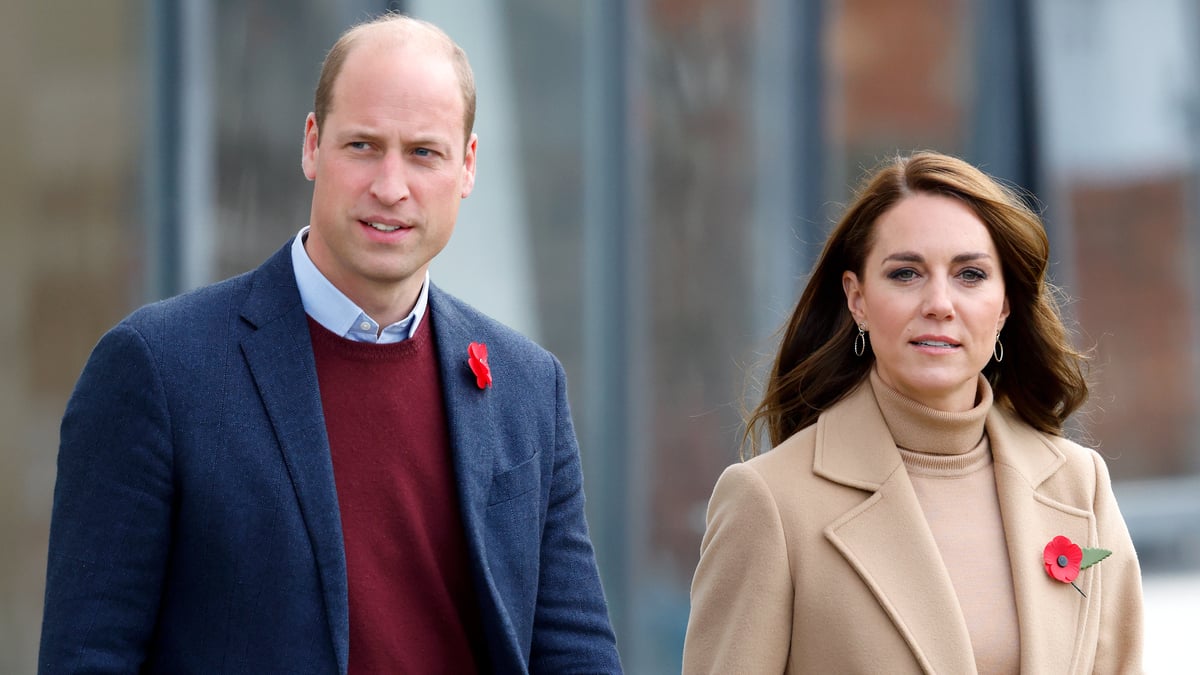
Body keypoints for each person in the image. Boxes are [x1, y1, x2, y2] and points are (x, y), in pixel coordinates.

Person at [39, 13, 621, 674]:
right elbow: (88, 655)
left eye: (423, 152)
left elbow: (576, 652)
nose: (391, 186)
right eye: (363, 145)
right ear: (313, 145)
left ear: (468, 165)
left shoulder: (528, 385)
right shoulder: (157, 370)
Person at [682, 151, 1144, 674]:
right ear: (857, 299)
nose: (939, 303)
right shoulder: (769, 503)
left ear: (1006, 305)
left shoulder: (1078, 486)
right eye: (906, 274)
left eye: (970, 274)